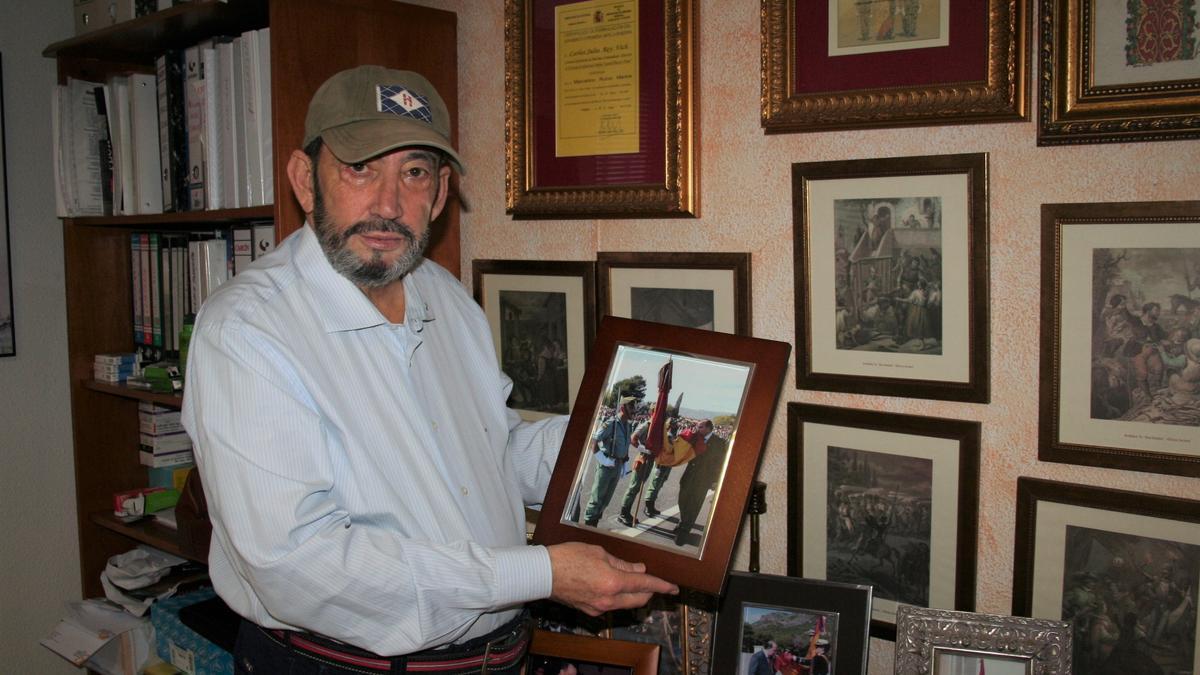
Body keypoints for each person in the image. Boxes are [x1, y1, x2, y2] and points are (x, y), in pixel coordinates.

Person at [181, 65, 675, 674]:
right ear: (305, 180)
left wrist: (615, 442)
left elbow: (495, 452)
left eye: (413, 172)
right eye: (360, 168)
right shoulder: (248, 330)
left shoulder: (446, 298)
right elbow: (298, 564)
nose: (388, 204)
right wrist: (542, 572)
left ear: (440, 194)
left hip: (496, 658)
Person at [582, 396, 637, 526]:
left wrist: (624, 463)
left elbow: (626, 444)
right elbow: (593, 441)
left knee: (606, 500)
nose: (634, 410)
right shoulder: (611, 423)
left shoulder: (627, 426)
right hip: (607, 465)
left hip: (617, 465)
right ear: (623, 408)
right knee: (597, 498)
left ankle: (594, 522)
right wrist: (603, 459)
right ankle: (588, 527)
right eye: (631, 407)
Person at [671, 420, 727, 546]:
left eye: (700, 427)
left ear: (708, 428)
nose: (697, 429)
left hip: (703, 480)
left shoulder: (719, 442)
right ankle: (683, 522)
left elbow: (719, 463)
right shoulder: (695, 438)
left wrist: (715, 480)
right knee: (683, 500)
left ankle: (683, 532)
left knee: (694, 505)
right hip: (688, 477)